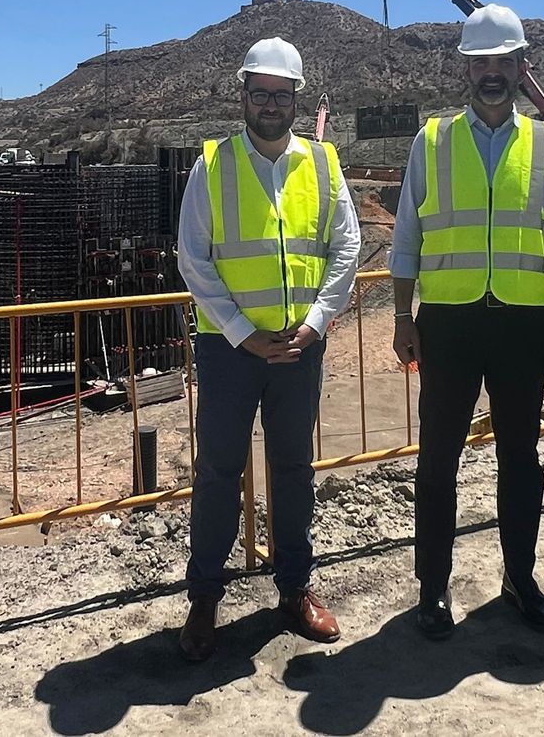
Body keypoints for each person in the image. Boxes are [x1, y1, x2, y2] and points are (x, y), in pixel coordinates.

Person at [390, 4, 544, 640]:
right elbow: (408, 234)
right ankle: (433, 586)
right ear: (466, 70)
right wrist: (401, 314)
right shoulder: (433, 139)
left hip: (524, 323)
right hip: (447, 320)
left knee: (521, 459)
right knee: (438, 459)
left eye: (505, 61)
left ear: (523, 67)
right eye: (483, 63)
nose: (493, 73)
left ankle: (520, 577)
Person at [174, 36, 361, 661]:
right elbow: (193, 260)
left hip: (298, 348)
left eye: (281, 95)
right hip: (232, 352)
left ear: (296, 99)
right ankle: (205, 600)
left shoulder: (325, 165)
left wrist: (316, 322)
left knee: (292, 471)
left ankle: (294, 589)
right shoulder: (212, 166)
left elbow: (346, 249)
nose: (271, 105)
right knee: (218, 474)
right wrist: (242, 332)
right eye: (261, 93)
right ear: (245, 94)